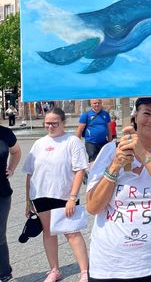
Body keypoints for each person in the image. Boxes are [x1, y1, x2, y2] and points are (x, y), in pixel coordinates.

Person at [86, 97, 151, 282]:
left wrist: (141, 152)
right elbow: (93, 206)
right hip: (112, 263)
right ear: (135, 115)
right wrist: (115, 166)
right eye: (147, 113)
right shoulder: (110, 150)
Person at [23, 107, 89, 282]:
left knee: (72, 233)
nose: (50, 126)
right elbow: (30, 173)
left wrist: (73, 198)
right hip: (41, 194)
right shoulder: (39, 143)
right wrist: (28, 200)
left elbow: (80, 170)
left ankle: (84, 272)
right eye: (47, 123)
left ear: (63, 123)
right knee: (48, 232)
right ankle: (54, 270)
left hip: (64, 195)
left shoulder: (72, 141)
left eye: (54, 123)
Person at [0, 125, 20, 282]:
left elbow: (16, 151)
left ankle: (4, 274)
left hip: (2, 192)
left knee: (0, 235)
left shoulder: (5, 133)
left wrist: (11, 169)